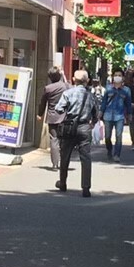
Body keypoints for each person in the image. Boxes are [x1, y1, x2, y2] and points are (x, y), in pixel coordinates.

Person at [52, 69, 100, 197]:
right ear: (87, 81)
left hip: (69, 127)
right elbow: (96, 113)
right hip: (84, 127)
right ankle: (86, 188)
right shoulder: (91, 96)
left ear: (74, 79)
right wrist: (93, 122)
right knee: (86, 158)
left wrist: (68, 111)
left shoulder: (68, 93)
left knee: (65, 155)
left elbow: (58, 109)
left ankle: (62, 183)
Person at [34, 66, 68, 170]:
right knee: (64, 141)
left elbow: (42, 103)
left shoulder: (48, 88)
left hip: (53, 117)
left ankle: (55, 164)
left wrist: (40, 114)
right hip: (65, 117)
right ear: (60, 76)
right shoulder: (66, 86)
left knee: (54, 139)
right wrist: (63, 75)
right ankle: (64, 163)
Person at [100, 72, 133, 159]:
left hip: (120, 116)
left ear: (123, 78)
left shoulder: (126, 90)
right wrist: (101, 112)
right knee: (107, 136)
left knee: (119, 136)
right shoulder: (108, 88)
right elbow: (104, 101)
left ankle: (117, 154)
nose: (117, 77)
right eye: (115, 75)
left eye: (119, 75)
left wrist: (129, 114)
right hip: (108, 115)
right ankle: (109, 150)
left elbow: (128, 103)